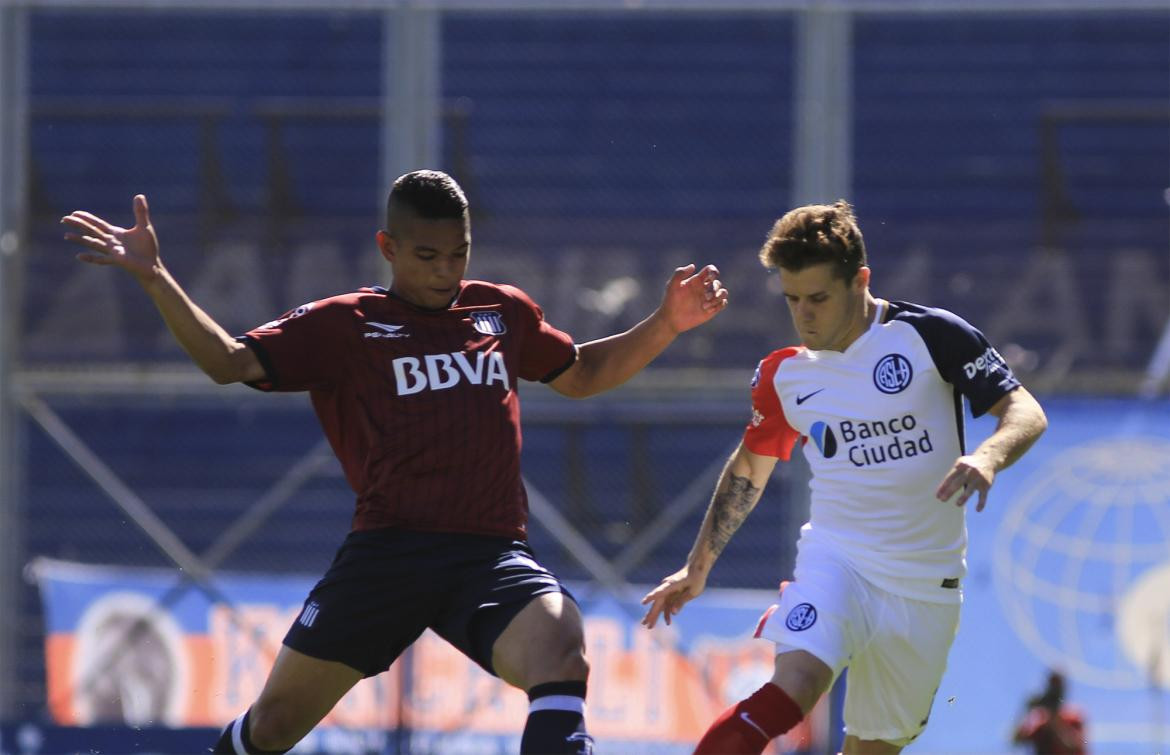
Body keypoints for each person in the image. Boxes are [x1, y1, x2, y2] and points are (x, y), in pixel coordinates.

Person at [61, 170, 729, 754]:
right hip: (387, 555)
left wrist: (665, 322)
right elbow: (227, 361)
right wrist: (155, 276)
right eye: (428, 255)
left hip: (488, 555)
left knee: (561, 647)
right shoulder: (345, 323)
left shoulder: (499, 311)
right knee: (275, 724)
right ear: (389, 248)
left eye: (458, 253)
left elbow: (581, 371)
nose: (445, 270)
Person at [641, 200, 1048, 754]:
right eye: (791, 300)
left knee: (870, 749)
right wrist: (698, 565)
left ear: (860, 280)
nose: (804, 315)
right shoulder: (784, 375)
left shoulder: (931, 336)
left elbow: (1025, 411)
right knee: (794, 687)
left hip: (924, 584)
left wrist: (988, 456)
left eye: (818, 298)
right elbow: (748, 471)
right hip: (837, 561)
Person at [1013, 671, 1088, 755]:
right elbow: (1016, 741)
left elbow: (1074, 747)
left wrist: (1053, 721)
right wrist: (1026, 711)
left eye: (1057, 688)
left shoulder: (1073, 717)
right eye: (1052, 688)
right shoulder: (1041, 726)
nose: (1054, 693)